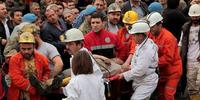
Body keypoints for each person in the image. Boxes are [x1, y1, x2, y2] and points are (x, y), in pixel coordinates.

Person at [118, 20, 159, 100]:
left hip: (147, 81)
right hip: (141, 80)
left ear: (140, 36)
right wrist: (128, 67)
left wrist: (124, 75)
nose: (132, 38)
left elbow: (140, 70)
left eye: (133, 35)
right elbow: (138, 63)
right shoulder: (141, 45)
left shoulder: (147, 49)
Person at [147, 12, 182, 100]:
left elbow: (168, 58)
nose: (151, 29)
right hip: (162, 72)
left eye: (152, 27)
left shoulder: (168, 38)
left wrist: (151, 63)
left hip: (173, 72)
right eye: (149, 27)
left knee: (168, 94)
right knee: (160, 95)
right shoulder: (151, 34)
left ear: (160, 24)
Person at [7, 32, 50, 100]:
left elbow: (47, 71)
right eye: (23, 49)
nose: (26, 51)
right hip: (19, 95)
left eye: (29, 49)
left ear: (34, 47)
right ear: (19, 47)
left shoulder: (42, 58)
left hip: (38, 96)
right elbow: (16, 78)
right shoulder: (14, 59)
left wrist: (43, 82)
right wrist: (33, 89)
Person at [179, 4, 200, 100]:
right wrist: (179, 58)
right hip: (189, 60)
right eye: (193, 16)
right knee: (192, 86)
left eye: (197, 16)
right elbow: (181, 43)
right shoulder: (185, 27)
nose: (195, 18)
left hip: (199, 61)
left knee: (199, 83)